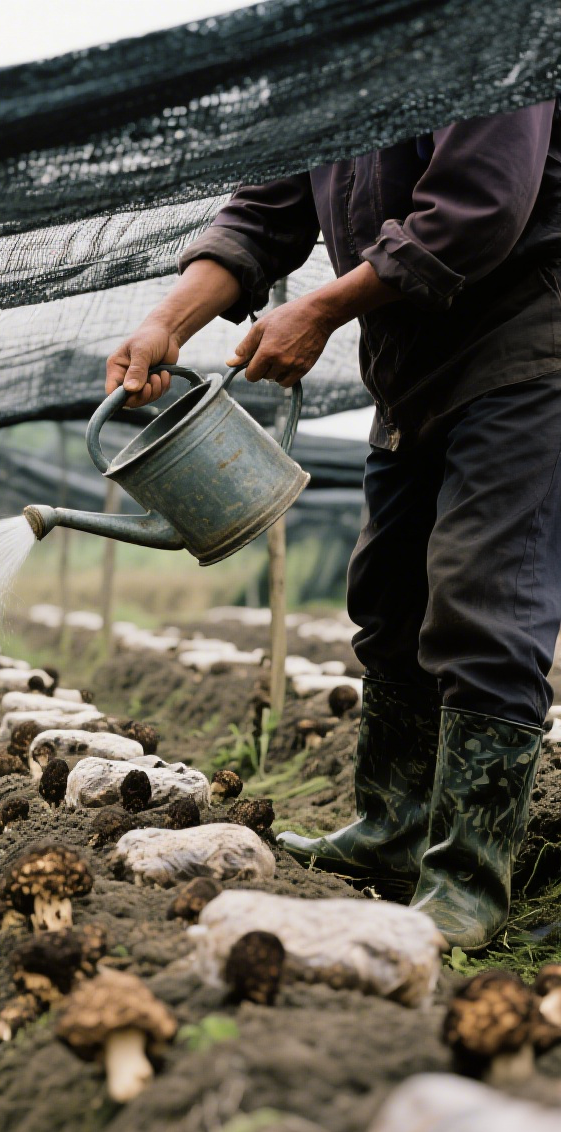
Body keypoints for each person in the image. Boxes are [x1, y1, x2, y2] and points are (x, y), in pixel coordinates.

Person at [106, 102, 561, 950]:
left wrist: (317, 311)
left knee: (482, 603)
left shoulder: (491, 39)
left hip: (525, 349)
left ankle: (466, 882)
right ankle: (392, 834)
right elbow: (264, 213)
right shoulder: (350, 70)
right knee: (388, 602)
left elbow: (478, 209)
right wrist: (166, 322)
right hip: (410, 370)